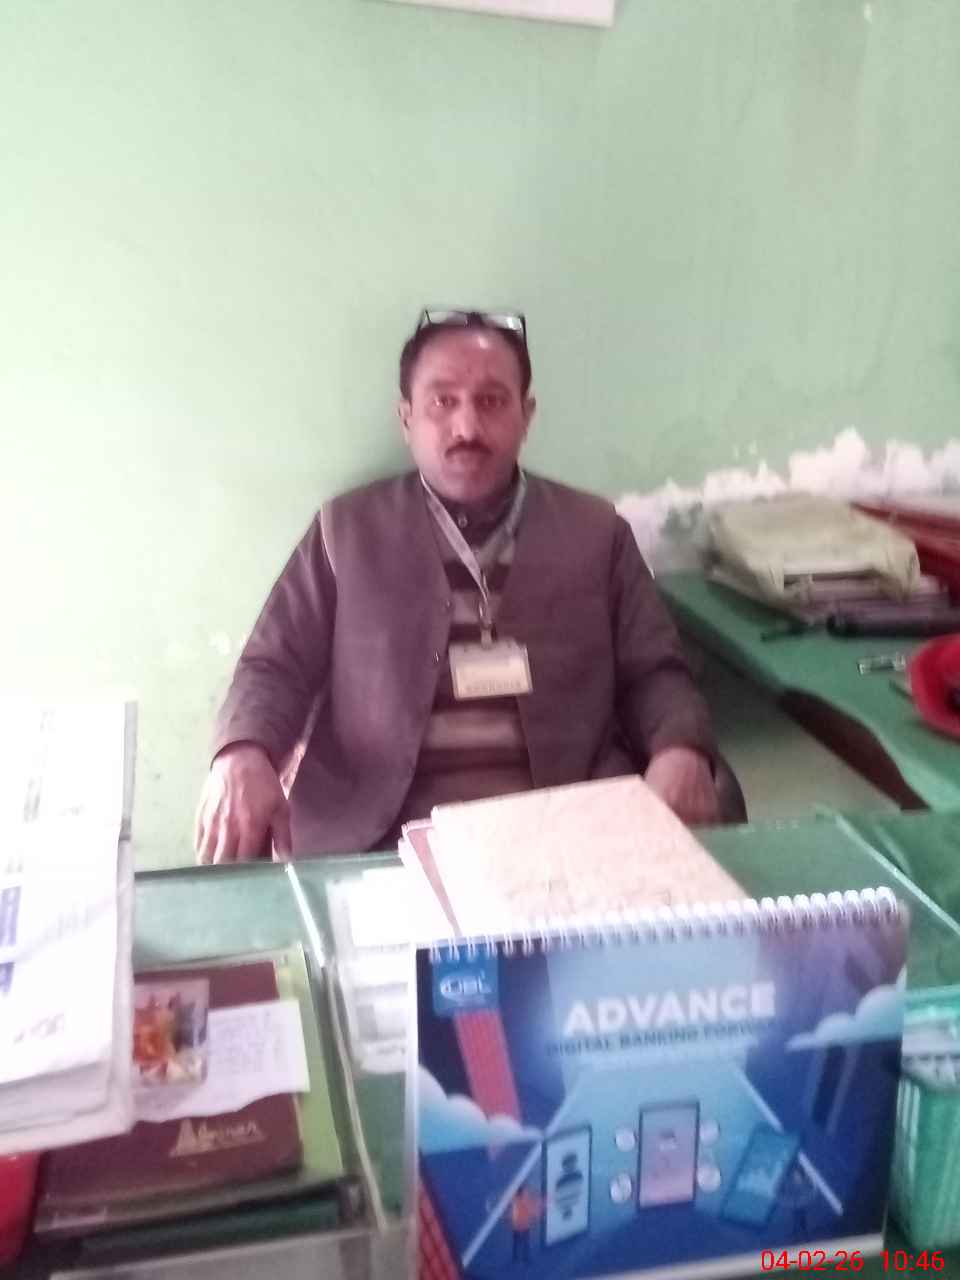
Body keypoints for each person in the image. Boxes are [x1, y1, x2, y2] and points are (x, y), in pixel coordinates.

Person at [195, 308, 721, 864]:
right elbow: (274, 665)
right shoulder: (344, 532)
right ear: (406, 418)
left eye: (491, 401)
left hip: (568, 833)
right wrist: (241, 752)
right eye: (442, 402)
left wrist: (680, 748)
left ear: (526, 415)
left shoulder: (596, 533)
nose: (467, 428)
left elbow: (655, 672)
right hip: (382, 842)